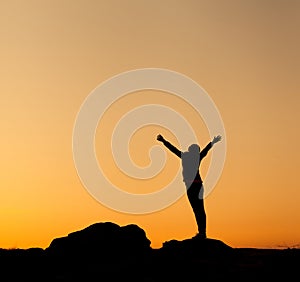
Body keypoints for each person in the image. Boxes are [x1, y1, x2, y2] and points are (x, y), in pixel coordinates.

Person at [157, 134, 222, 239]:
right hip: (195, 186)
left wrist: (163, 140)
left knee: (198, 209)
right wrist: (213, 142)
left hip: (193, 186)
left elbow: (174, 149)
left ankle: (202, 233)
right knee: (198, 209)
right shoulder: (194, 157)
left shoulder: (187, 157)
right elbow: (205, 150)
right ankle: (202, 233)